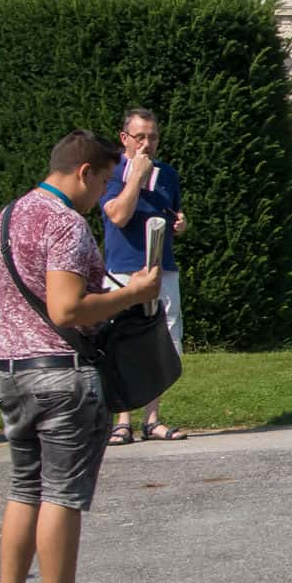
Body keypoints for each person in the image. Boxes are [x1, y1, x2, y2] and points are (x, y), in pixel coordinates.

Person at [0, 129, 161, 583]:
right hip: (61, 374)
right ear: (84, 172)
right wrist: (134, 294)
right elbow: (66, 309)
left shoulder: (9, 215)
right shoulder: (65, 223)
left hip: (10, 370)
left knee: (24, 489)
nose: (102, 195)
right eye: (102, 182)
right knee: (61, 495)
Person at [101, 108, 187, 444]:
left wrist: (180, 223)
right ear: (124, 138)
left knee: (162, 341)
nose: (147, 144)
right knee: (121, 341)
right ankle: (122, 420)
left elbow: (171, 212)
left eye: (152, 137)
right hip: (124, 269)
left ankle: (152, 418)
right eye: (140, 137)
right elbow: (118, 216)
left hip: (161, 269)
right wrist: (135, 176)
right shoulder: (111, 172)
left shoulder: (168, 174)